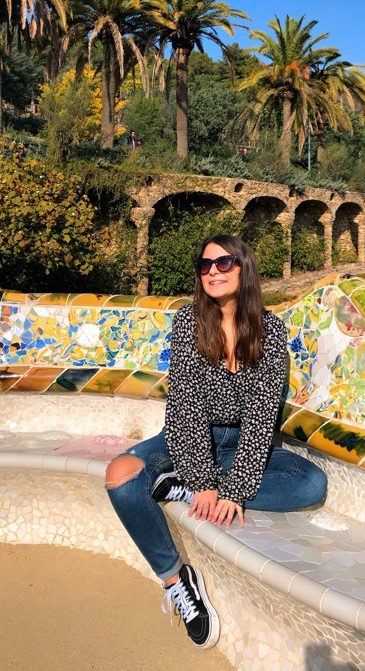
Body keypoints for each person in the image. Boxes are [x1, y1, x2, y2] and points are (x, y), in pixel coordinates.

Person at [105, 234, 327, 650]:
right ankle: (176, 580)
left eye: (223, 263)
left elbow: (263, 414)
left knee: (310, 482)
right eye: (205, 265)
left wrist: (234, 489)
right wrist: (205, 482)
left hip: (241, 440)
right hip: (190, 436)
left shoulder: (270, 329)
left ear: (243, 268)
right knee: (120, 474)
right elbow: (185, 406)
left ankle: (181, 487)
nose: (212, 272)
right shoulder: (189, 322)